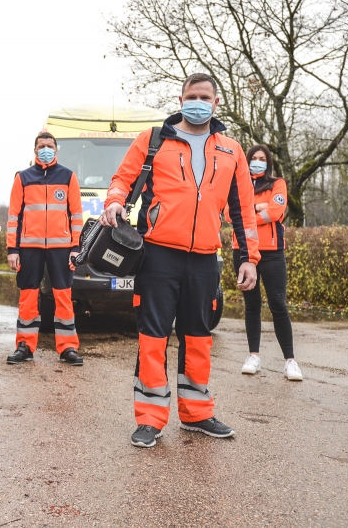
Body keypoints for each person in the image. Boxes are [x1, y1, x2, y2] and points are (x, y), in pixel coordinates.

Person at [99, 73, 260, 448]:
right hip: (157, 256)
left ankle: (197, 413)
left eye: (205, 96)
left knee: (199, 338)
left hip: (205, 259)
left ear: (217, 103)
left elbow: (243, 210)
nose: (198, 102)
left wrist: (248, 258)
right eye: (192, 96)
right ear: (181, 98)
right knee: (152, 337)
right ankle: (150, 418)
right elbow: (122, 180)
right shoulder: (153, 140)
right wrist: (113, 203)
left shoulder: (232, 150)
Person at [6, 131, 85, 366]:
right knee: (28, 296)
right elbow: (14, 217)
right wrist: (13, 249)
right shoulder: (23, 178)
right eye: (41, 146)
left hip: (62, 248)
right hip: (29, 247)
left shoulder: (68, 177)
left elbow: (76, 216)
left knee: (64, 296)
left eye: (50, 145)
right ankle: (25, 346)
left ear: (57, 149)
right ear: (35, 150)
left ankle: (68, 347)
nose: (46, 149)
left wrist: (75, 247)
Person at [230, 145, 302, 381]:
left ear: (268, 162)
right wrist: (259, 207)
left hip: (272, 252)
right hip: (242, 252)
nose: (258, 162)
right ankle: (253, 356)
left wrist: (249, 212)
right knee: (252, 305)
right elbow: (231, 215)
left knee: (278, 304)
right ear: (247, 160)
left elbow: (276, 211)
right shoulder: (237, 182)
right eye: (254, 158)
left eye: (262, 159)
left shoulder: (277, 183)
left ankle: (290, 361)